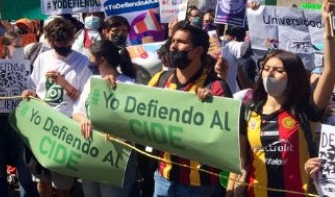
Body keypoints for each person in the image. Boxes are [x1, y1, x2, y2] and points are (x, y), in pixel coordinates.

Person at [227, 0, 335, 196]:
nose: (270, 74)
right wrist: (231, 190)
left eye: (278, 70)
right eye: (266, 68)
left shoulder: (305, 109)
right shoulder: (249, 109)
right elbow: (241, 161)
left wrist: (327, 24)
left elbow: (330, 70)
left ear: (293, 76)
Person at [150, 22, 232, 197]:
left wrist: (213, 105)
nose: (173, 46)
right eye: (173, 40)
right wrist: (111, 83)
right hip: (163, 179)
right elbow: (135, 109)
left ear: (198, 51)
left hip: (201, 186)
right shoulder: (160, 80)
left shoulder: (217, 87)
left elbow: (229, 138)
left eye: (181, 42)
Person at [22, 17, 92, 197]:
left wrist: (64, 83)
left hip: (65, 128)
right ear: (50, 41)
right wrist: (29, 93)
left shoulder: (82, 62)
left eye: (66, 42)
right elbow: (34, 86)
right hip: (41, 126)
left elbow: (84, 99)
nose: (62, 46)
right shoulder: (42, 58)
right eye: (57, 42)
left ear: (72, 40)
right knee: (42, 182)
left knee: (63, 185)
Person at [74, 40, 138, 197]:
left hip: (115, 155)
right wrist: (83, 120)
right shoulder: (92, 82)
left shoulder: (129, 85)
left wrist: (115, 131)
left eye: (90, 58)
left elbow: (133, 122)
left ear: (101, 60)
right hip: (91, 152)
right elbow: (77, 112)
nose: (88, 62)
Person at [0, 30, 37, 197]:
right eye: (16, 46)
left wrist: (30, 92)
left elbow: (35, 91)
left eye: (22, 47)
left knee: (22, 167)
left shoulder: (28, 69)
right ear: (5, 48)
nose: (20, 50)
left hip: (20, 121)